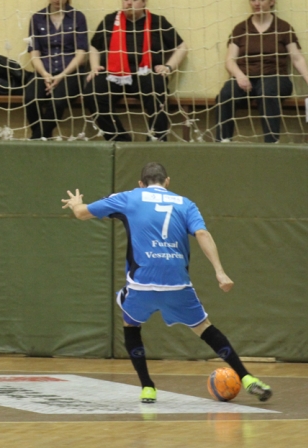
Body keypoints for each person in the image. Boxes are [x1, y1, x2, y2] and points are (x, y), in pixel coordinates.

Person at [61, 162, 272, 403]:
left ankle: (147, 387)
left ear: (141, 183)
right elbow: (203, 234)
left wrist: (77, 204)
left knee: (130, 324)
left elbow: (81, 213)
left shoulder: (129, 197)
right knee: (205, 328)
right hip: (177, 285)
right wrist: (220, 272)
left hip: (142, 285)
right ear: (167, 181)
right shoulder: (186, 203)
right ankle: (247, 378)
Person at [216, 0, 308, 143]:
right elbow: (230, 60)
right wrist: (239, 76)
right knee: (226, 94)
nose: (256, 3)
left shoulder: (283, 27)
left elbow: (297, 58)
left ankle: (271, 143)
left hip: (275, 77)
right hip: (246, 78)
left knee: (267, 92)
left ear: (272, 1)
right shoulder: (240, 29)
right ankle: (223, 142)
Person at [83, 0, 187, 142]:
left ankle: (156, 141)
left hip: (145, 72)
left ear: (144, 2)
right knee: (92, 93)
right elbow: (94, 46)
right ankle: (120, 140)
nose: (129, 3)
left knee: (158, 90)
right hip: (114, 73)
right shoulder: (110, 20)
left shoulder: (158, 22)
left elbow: (182, 47)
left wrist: (168, 67)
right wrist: (95, 66)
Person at [24, 0, 88, 140]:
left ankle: (36, 139)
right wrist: (45, 74)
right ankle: (44, 137)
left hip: (71, 72)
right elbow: (34, 54)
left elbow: (81, 54)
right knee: (30, 98)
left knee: (58, 101)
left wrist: (62, 75)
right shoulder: (37, 18)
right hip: (44, 70)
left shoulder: (78, 17)